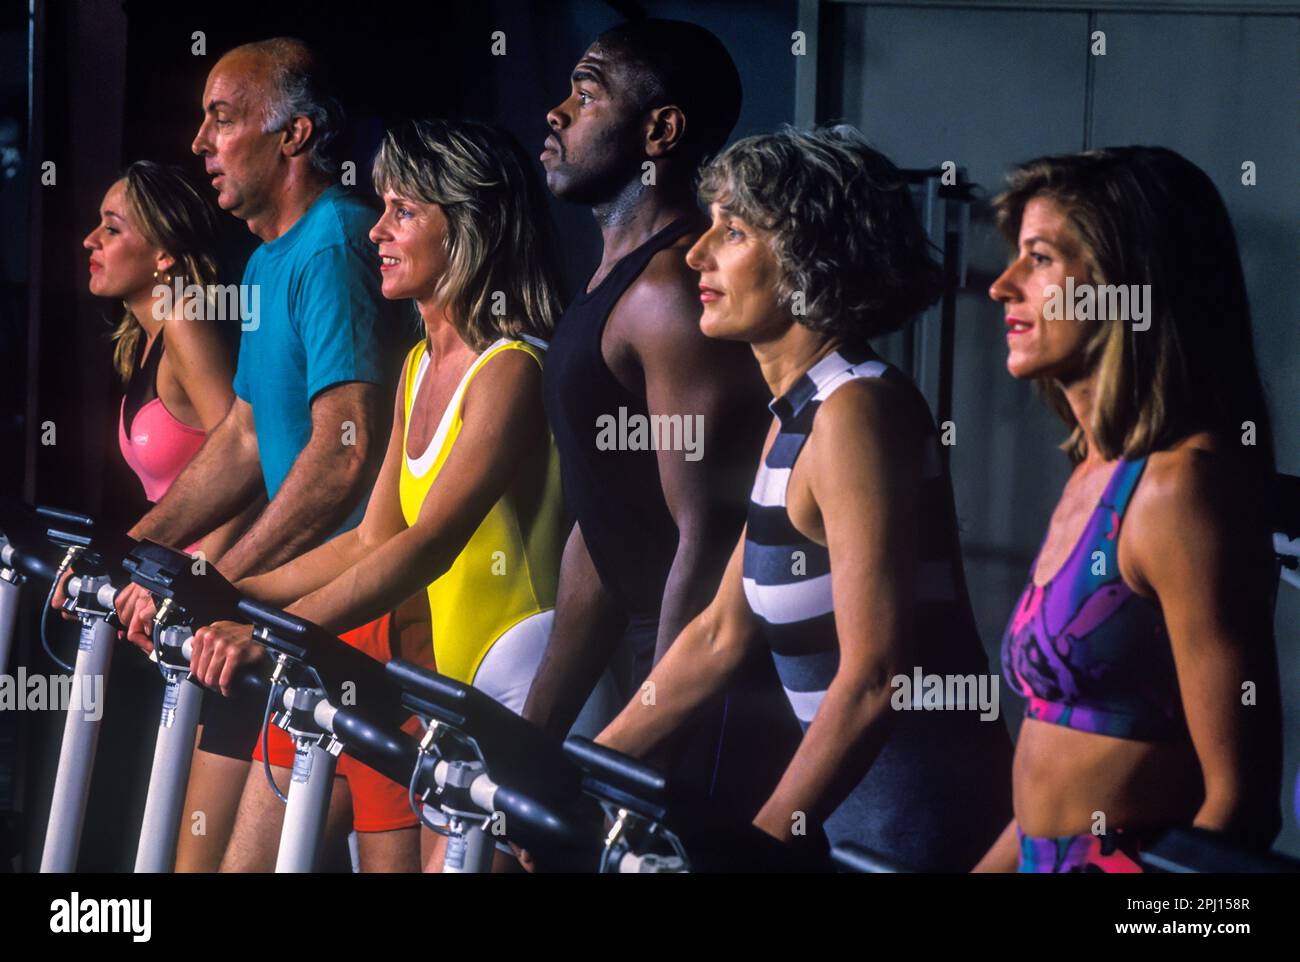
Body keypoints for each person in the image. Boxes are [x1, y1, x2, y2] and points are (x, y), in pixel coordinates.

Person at [596, 125, 1013, 871]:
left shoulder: (857, 410)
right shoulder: (800, 411)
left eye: (732, 231)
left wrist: (758, 845)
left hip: (923, 837)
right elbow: (718, 637)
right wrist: (581, 769)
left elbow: (876, 676)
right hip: (861, 828)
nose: (696, 253)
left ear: (809, 254)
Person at [187, 118, 577, 873]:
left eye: (404, 212)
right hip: (451, 691)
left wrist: (275, 632)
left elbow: (426, 546)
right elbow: (368, 539)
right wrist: (227, 594)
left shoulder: (511, 368)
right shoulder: (417, 365)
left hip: (525, 680)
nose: (378, 234)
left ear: (467, 227)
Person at [58, 37, 400, 871]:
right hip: (294, 618)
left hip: (365, 622)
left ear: (293, 136)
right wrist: (135, 552)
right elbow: (244, 437)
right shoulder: (264, 264)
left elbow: (344, 452)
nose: (200, 143)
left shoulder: (335, 240)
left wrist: (221, 583)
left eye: (221, 119)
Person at [975, 146, 1282, 872]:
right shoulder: (1094, 471)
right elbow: (1041, 807)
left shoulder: (1179, 492)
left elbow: (1240, 807)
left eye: (1040, 258)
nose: (1000, 287)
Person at [526, 18, 797, 811]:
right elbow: (602, 529)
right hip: (662, 678)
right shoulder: (618, 283)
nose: (557, 113)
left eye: (586, 94)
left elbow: (705, 539)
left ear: (661, 129)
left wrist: (648, 744)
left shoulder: (671, 296)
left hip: (712, 698)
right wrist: (532, 738)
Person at [83, 160, 259, 556]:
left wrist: (196, 576)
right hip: (169, 568)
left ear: (163, 254)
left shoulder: (185, 321)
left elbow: (248, 469)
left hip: (207, 575)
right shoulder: (143, 341)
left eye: (111, 229)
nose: (90, 240)